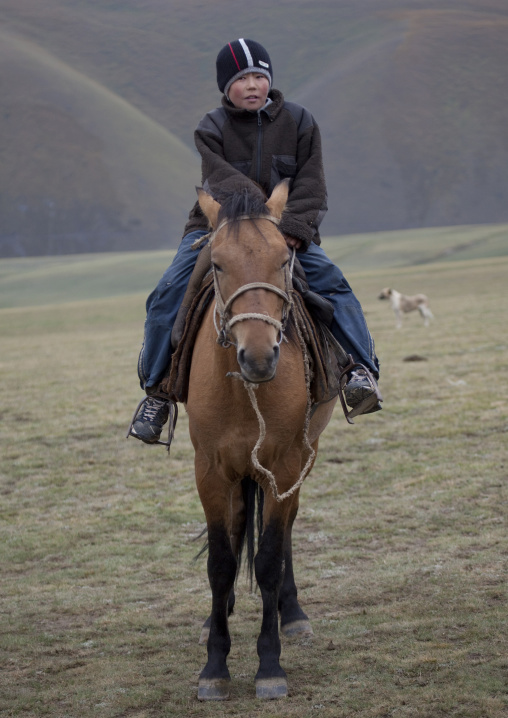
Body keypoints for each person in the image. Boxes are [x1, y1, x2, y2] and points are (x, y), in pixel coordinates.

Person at [129, 38, 381, 444]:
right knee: (167, 293)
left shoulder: (300, 122)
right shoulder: (211, 128)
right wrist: (262, 218)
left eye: (259, 77)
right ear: (226, 86)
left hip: (288, 232)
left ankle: (360, 372)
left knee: (333, 283)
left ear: (270, 81)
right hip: (217, 226)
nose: (252, 85)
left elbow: (312, 183)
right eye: (242, 78)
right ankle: (157, 392)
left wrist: (294, 228)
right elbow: (223, 182)